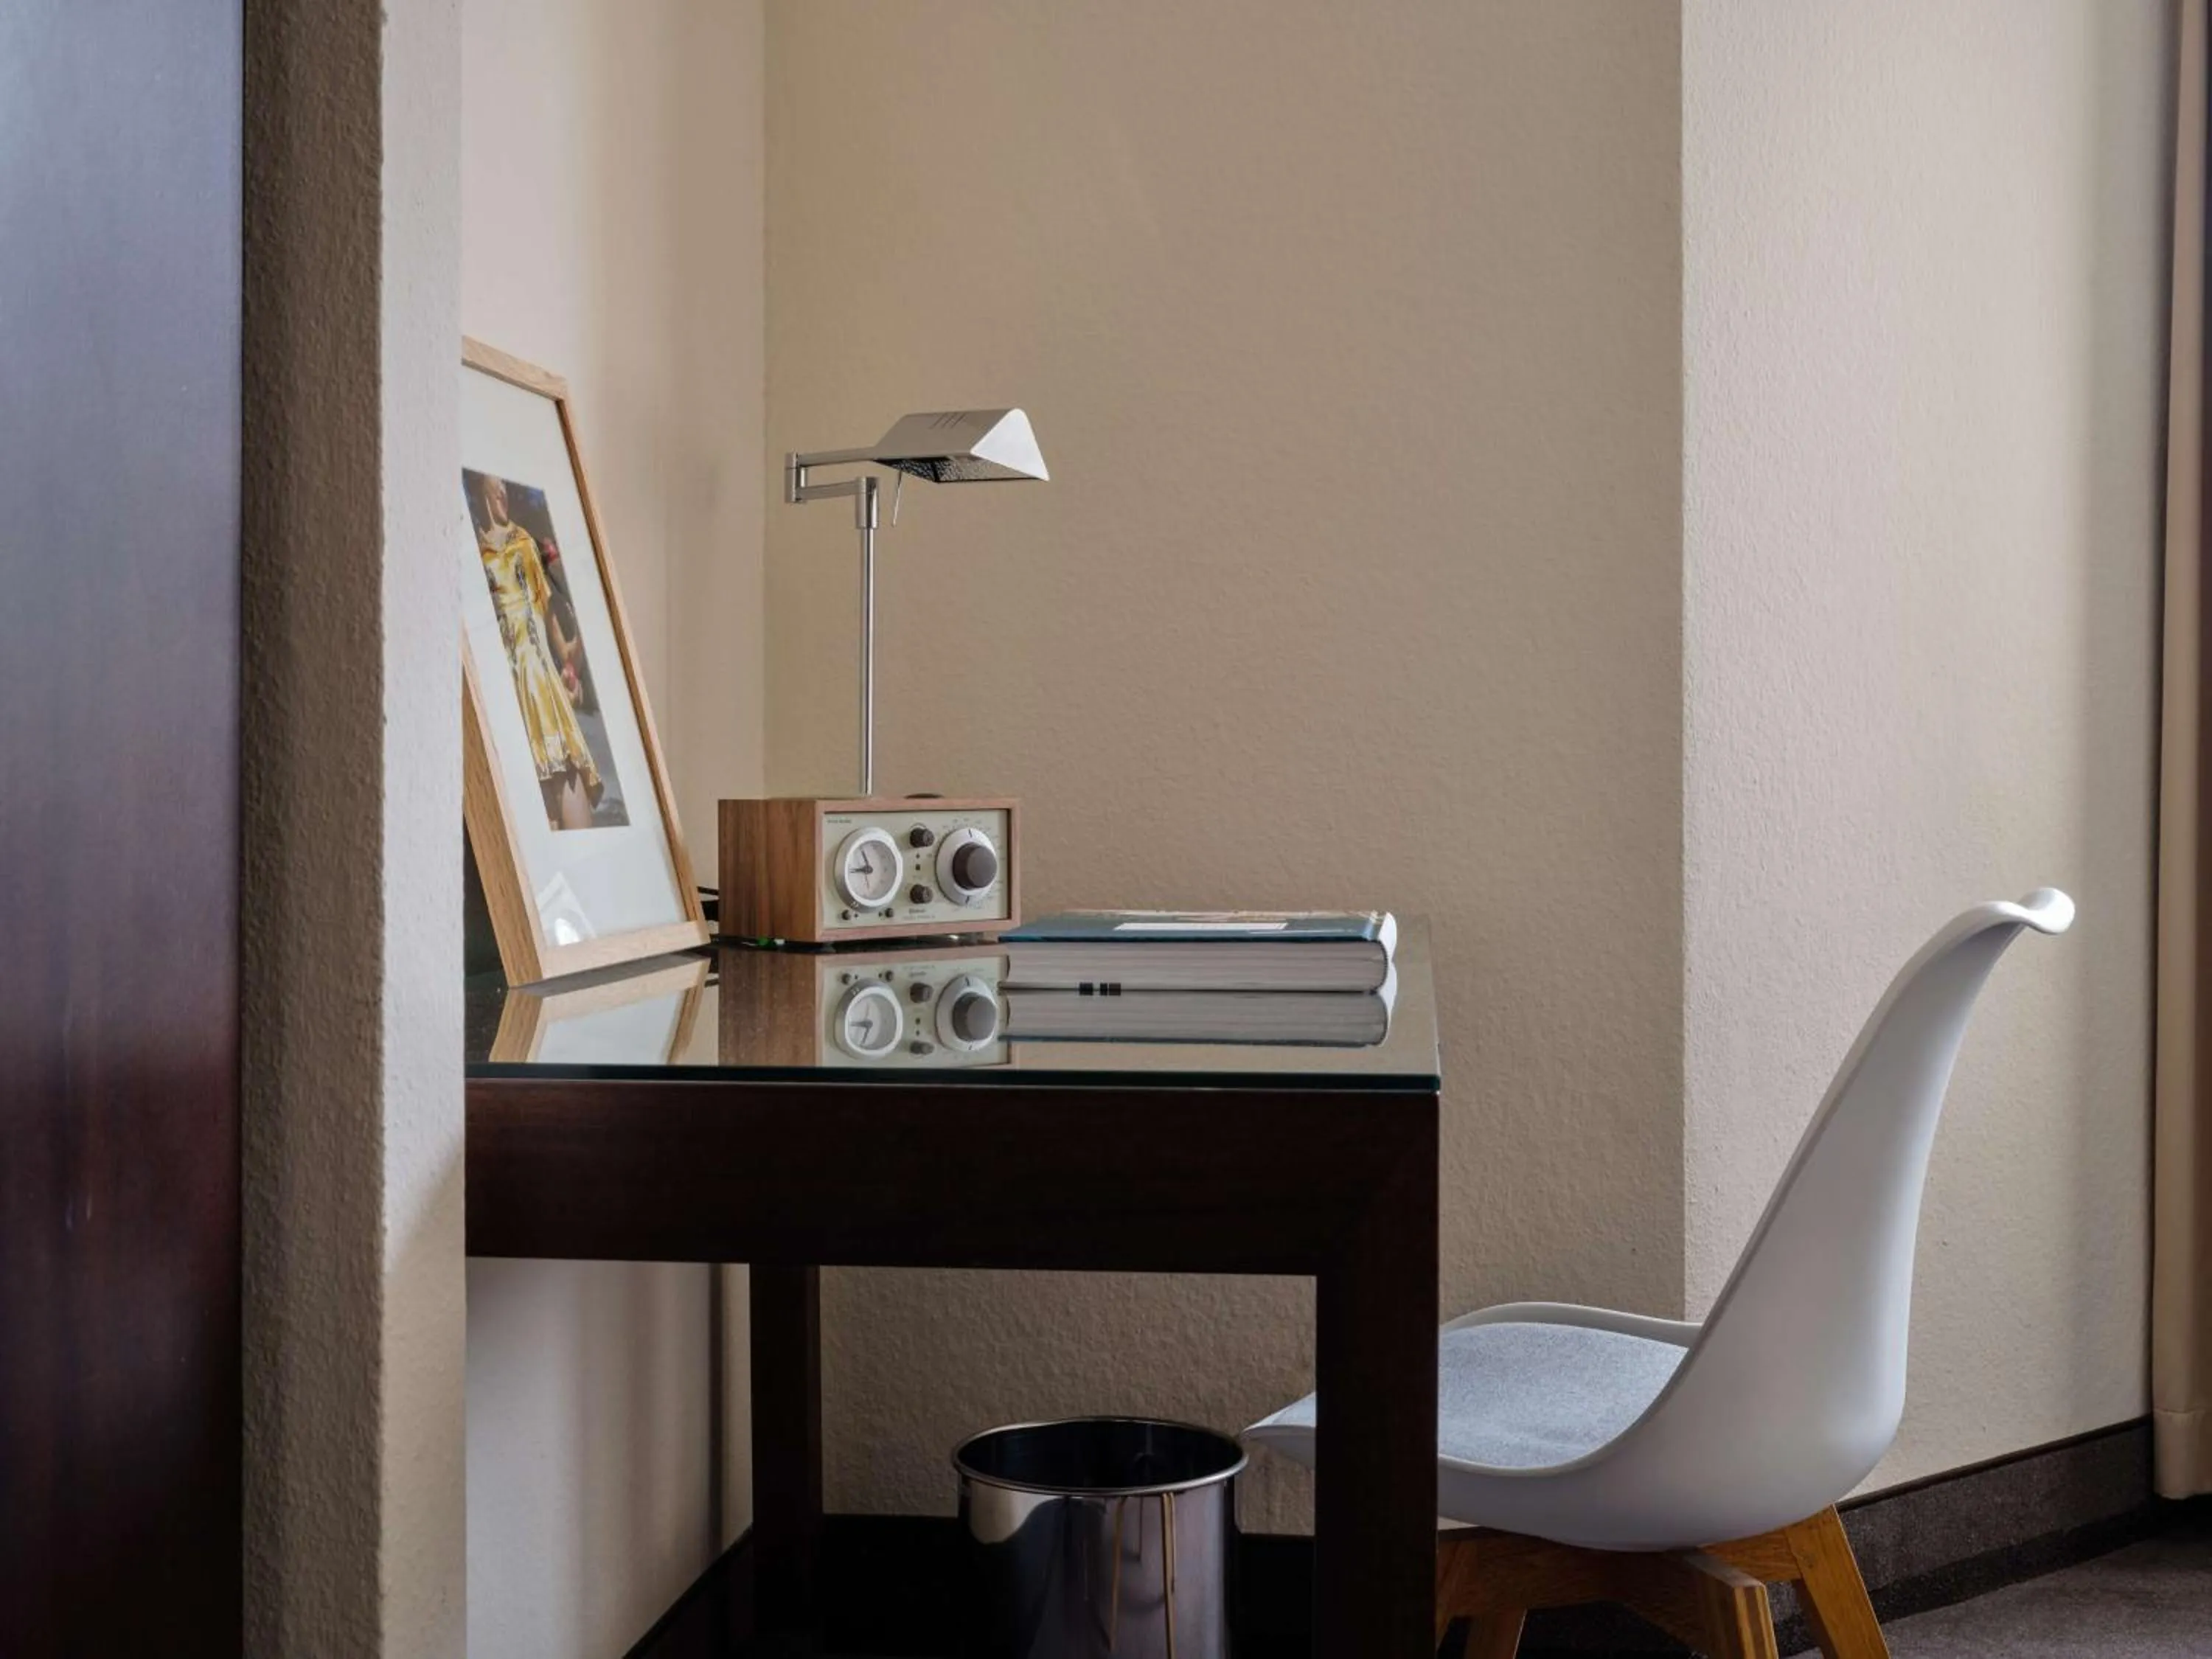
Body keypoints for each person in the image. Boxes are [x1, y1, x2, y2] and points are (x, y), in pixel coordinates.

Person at [470, 472, 603, 830]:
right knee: (534, 813)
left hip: (539, 684)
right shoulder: (474, 556)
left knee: (564, 780)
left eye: (504, 484)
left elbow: (553, 627)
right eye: (493, 483)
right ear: (479, 488)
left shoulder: (523, 543)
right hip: (504, 694)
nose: (502, 490)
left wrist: (573, 653)